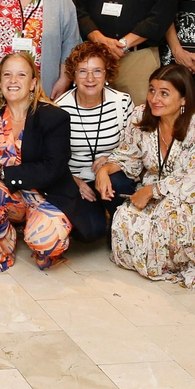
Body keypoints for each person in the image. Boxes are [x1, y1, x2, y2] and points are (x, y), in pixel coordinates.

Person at [97, 64, 195, 288]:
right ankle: (152, 260)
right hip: (158, 191)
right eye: (152, 90)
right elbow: (128, 155)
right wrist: (104, 170)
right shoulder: (142, 115)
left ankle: (176, 262)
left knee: (173, 215)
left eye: (164, 93)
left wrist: (151, 191)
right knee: (125, 215)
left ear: (183, 99)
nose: (154, 99)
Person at [0, 52, 79, 272]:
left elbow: (53, 168)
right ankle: (4, 243)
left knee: (44, 241)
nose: (13, 81)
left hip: (44, 194)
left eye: (21, 75)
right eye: (7, 75)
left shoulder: (54, 117)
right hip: (7, 196)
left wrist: (1, 173)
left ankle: (38, 234)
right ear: (0, 81)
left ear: (33, 83)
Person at [55, 41, 136, 241]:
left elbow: (136, 148)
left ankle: (119, 224)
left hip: (113, 176)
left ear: (107, 74)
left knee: (120, 181)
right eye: (82, 71)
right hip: (74, 179)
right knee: (90, 231)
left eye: (97, 71)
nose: (90, 78)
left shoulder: (122, 103)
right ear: (73, 75)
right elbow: (51, 159)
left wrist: (110, 161)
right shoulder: (59, 109)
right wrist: (73, 181)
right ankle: (98, 217)